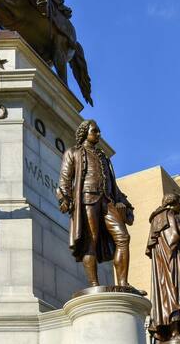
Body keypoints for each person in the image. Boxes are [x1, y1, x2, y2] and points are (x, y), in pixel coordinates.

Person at [57, 119, 134, 288]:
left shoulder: (103, 157)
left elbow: (113, 184)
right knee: (90, 241)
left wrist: (122, 202)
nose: (98, 134)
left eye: (98, 131)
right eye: (95, 131)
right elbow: (65, 179)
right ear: (85, 132)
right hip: (86, 199)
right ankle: (94, 284)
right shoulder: (73, 152)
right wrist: (65, 198)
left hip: (107, 200)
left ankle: (123, 283)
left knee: (123, 238)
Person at [145, 193, 180, 343]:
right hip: (173, 261)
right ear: (173, 204)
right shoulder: (167, 214)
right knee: (178, 296)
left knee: (175, 297)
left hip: (166, 263)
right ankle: (176, 332)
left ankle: (179, 331)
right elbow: (173, 236)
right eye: (179, 205)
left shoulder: (157, 218)